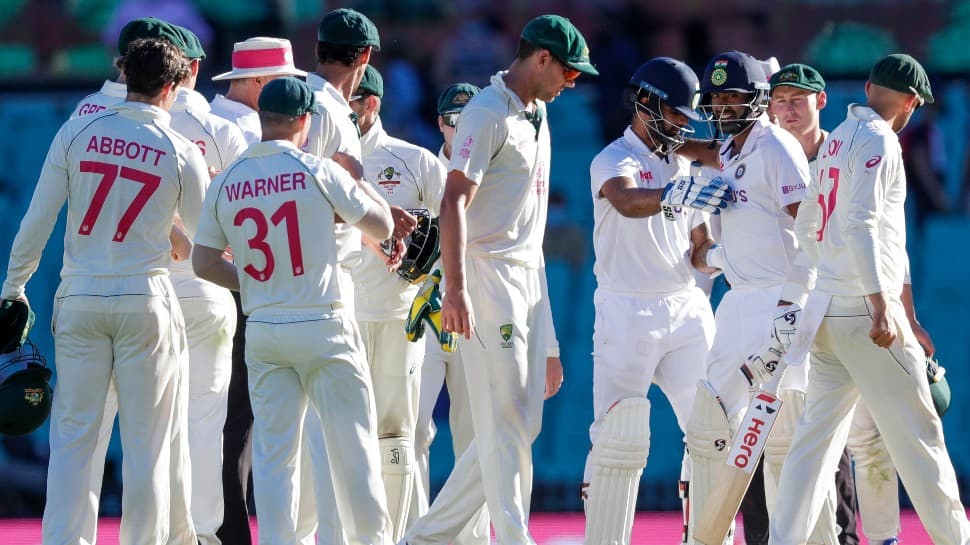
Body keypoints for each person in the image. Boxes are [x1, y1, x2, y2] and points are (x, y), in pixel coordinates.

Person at [1, 37, 208, 545]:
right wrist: (176, 239)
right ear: (171, 87)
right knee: (148, 449)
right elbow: (205, 247)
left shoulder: (76, 132)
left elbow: (37, 220)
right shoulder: (181, 150)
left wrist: (13, 287)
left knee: (73, 443)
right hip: (147, 300)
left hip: (81, 299)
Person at [401, 14, 589, 545]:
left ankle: (426, 537)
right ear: (542, 59)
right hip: (486, 278)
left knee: (520, 424)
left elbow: (530, 240)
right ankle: (512, 536)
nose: (571, 83)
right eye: (568, 71)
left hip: (527, 280)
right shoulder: (485, 113)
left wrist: (548, 338)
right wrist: (456, 290)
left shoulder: (538, 113)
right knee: (506, 421)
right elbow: (453, 200)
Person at [768, 53, 970, 545]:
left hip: (829, 312)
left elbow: (811, 225)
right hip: (865, 311)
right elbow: (860, 224)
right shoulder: (881, 139)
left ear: (866, 86)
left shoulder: (837, 137)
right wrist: (883, 305)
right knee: (921, 439)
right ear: (912, 102)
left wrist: (907, 312)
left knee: (812, 447)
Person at [192, 76, 395, 545]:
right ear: (306, 121)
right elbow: (382, 227)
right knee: (355, 450)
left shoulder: (227, 179)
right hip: (323, 321)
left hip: (264, 326)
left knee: (274, 457)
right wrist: (354, 179)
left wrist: (261, 286)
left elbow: (203, 262)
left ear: (262, 119)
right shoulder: (318, 170)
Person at [680, 51, 836, 545]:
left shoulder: (777, 148)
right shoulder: (731, 150)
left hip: (780, 303)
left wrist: (803, 301)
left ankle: (817, 538)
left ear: (757, 100)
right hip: (739, 301)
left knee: (789, 431)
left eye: (734, 98)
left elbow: (812, 229)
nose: (723, 108)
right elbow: (703, 151)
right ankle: (711, 536)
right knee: (712, 424)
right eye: (717, 99)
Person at [582, 57, 728, 545]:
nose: (683, 124)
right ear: (645, 103)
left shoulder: (682, 164)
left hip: (686, 307)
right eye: (676, 113)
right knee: (616, 438)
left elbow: (699, 250)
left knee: (714, 430)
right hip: (627, 312)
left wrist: (725, 257)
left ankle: (711, 537)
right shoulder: (612, 158)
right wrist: (677, 191)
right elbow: (626, 201)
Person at [206, 36, 307, 545]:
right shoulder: (247, 130)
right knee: (245, 427)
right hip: (243, 292)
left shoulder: (202, 117)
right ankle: (234, 535)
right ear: (265, 84)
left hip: (180, 286)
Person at [348, 64, 448, 540]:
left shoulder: (414, 160)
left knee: (396, 435)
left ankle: (398, 536)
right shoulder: (317, 159)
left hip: (395, 316)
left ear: (371, 104)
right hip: (336, 318)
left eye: (350, 101)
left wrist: (434, 279)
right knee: (339, 440)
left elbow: (454, 231)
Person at [767, 63, 860, 545]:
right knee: (766, 423)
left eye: (797, 100)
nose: (788, 109)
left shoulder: (842, 155)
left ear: (820, 102)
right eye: (779, 99)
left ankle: (842, 535)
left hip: (833, 298)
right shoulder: (761, 151)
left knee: (835, 428)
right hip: (773, 304)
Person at [167, 24, 247, 545]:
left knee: (154, 427)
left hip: (147, 287)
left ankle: (159, 533)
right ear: (194, 68)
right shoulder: (221, 129)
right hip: (211, 288)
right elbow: (241, 218)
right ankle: (203, 535)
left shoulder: (120, 123)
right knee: (206, 423)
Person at [413, 81, 491, 545]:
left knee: (475, 429)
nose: (458, 128)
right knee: (414, 428)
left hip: (478, 312)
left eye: (468, 119)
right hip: (425, 313)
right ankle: (415, 531)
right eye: (450, 119)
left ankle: (473, 538)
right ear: (439, 123)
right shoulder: (423, 168)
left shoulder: (499, 172)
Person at [210, 37, 308, 145]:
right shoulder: (256, 132)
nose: (287, 89)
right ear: (259, 81)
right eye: (283, 82)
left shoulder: (203, 114)